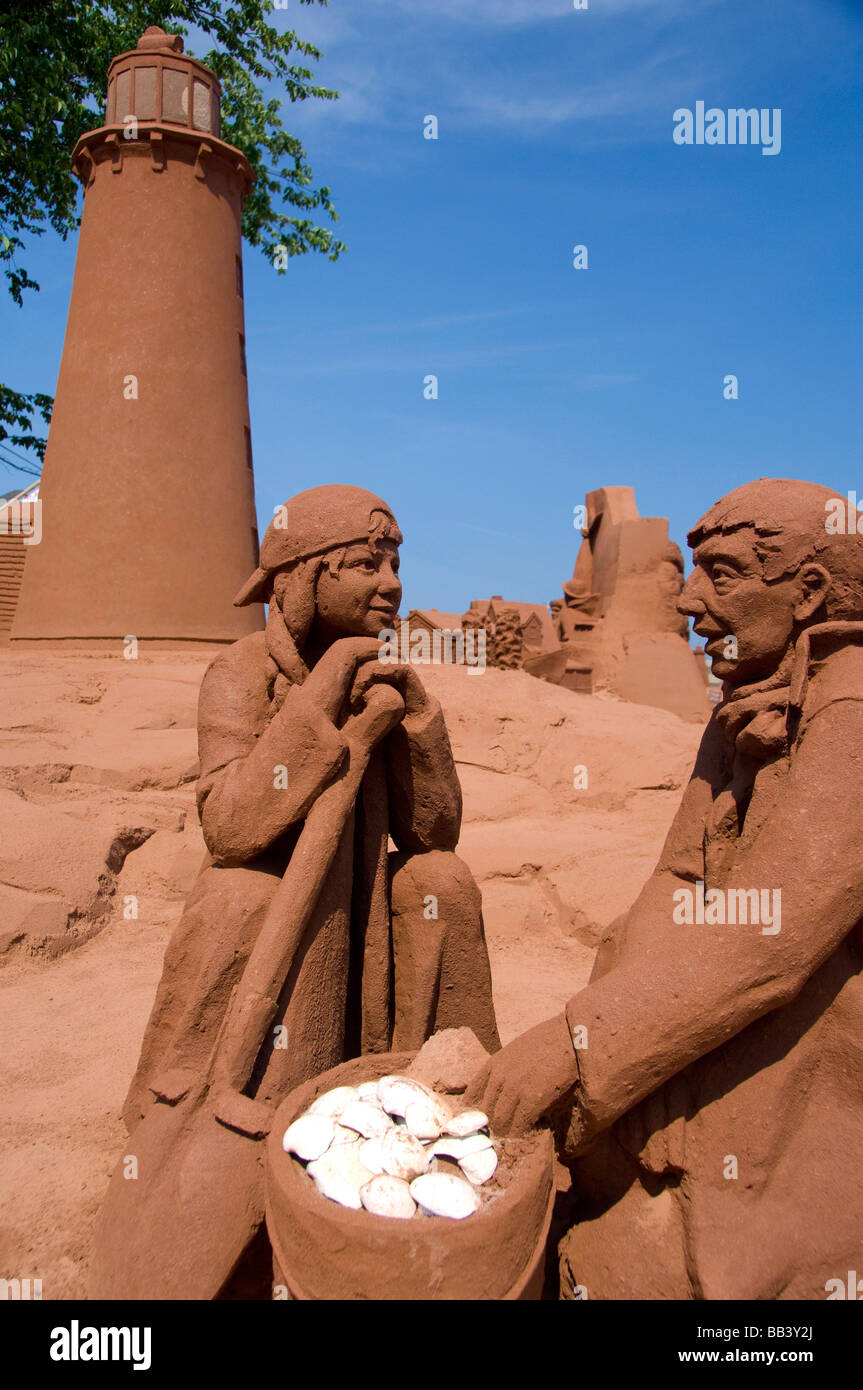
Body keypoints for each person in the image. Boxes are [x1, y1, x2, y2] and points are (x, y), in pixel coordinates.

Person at [93, 484, 499, 1299]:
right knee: (252, 895)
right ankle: (247, 1118)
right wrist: (318, 702)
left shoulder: (384, 679)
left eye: (394, 563)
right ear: (300, 578)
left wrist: (417, 726)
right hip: (278, 923)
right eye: (363, 565)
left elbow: (432, 835)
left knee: (438, 884)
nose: (389, 583)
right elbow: (231, 827)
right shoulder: (240, 671)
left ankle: (439, 1099)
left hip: (368, 938)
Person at [468, 479, 863, 1300]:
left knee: (724, 1260)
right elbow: (677, 878)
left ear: (809, 593)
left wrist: (579, 1045)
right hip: (721, 981)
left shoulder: (849, 710)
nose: (687, 600)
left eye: (718, 575)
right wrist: (612, 1040)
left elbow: (777, 940)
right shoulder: (746, 698)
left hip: (813, 1014)